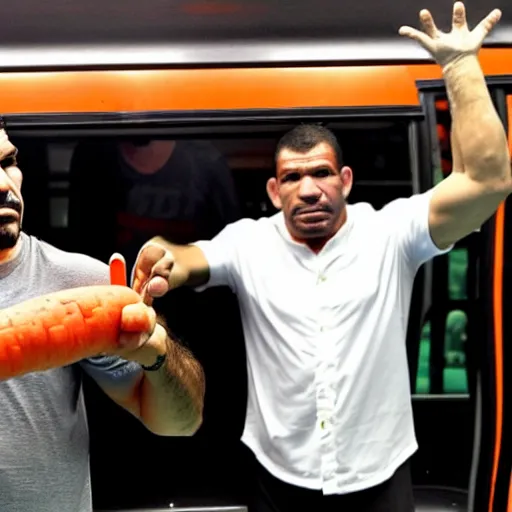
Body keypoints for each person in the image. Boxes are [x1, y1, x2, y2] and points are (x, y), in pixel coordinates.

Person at [131, 3, 511, 512]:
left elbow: (487, 183)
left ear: (345, 181)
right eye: (292, 178)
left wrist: (461, 66)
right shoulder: (249, 243)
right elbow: (189, 258)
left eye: (322, 174)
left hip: (380, 474)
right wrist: (163, 256)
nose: (308, 190)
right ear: (273, 190)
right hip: (278, 476)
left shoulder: (391, 232)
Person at [0, 124, 206, 512]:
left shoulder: (78, 283)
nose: (3, 184)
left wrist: (156, 350)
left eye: (8, 162)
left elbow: (180, 423)